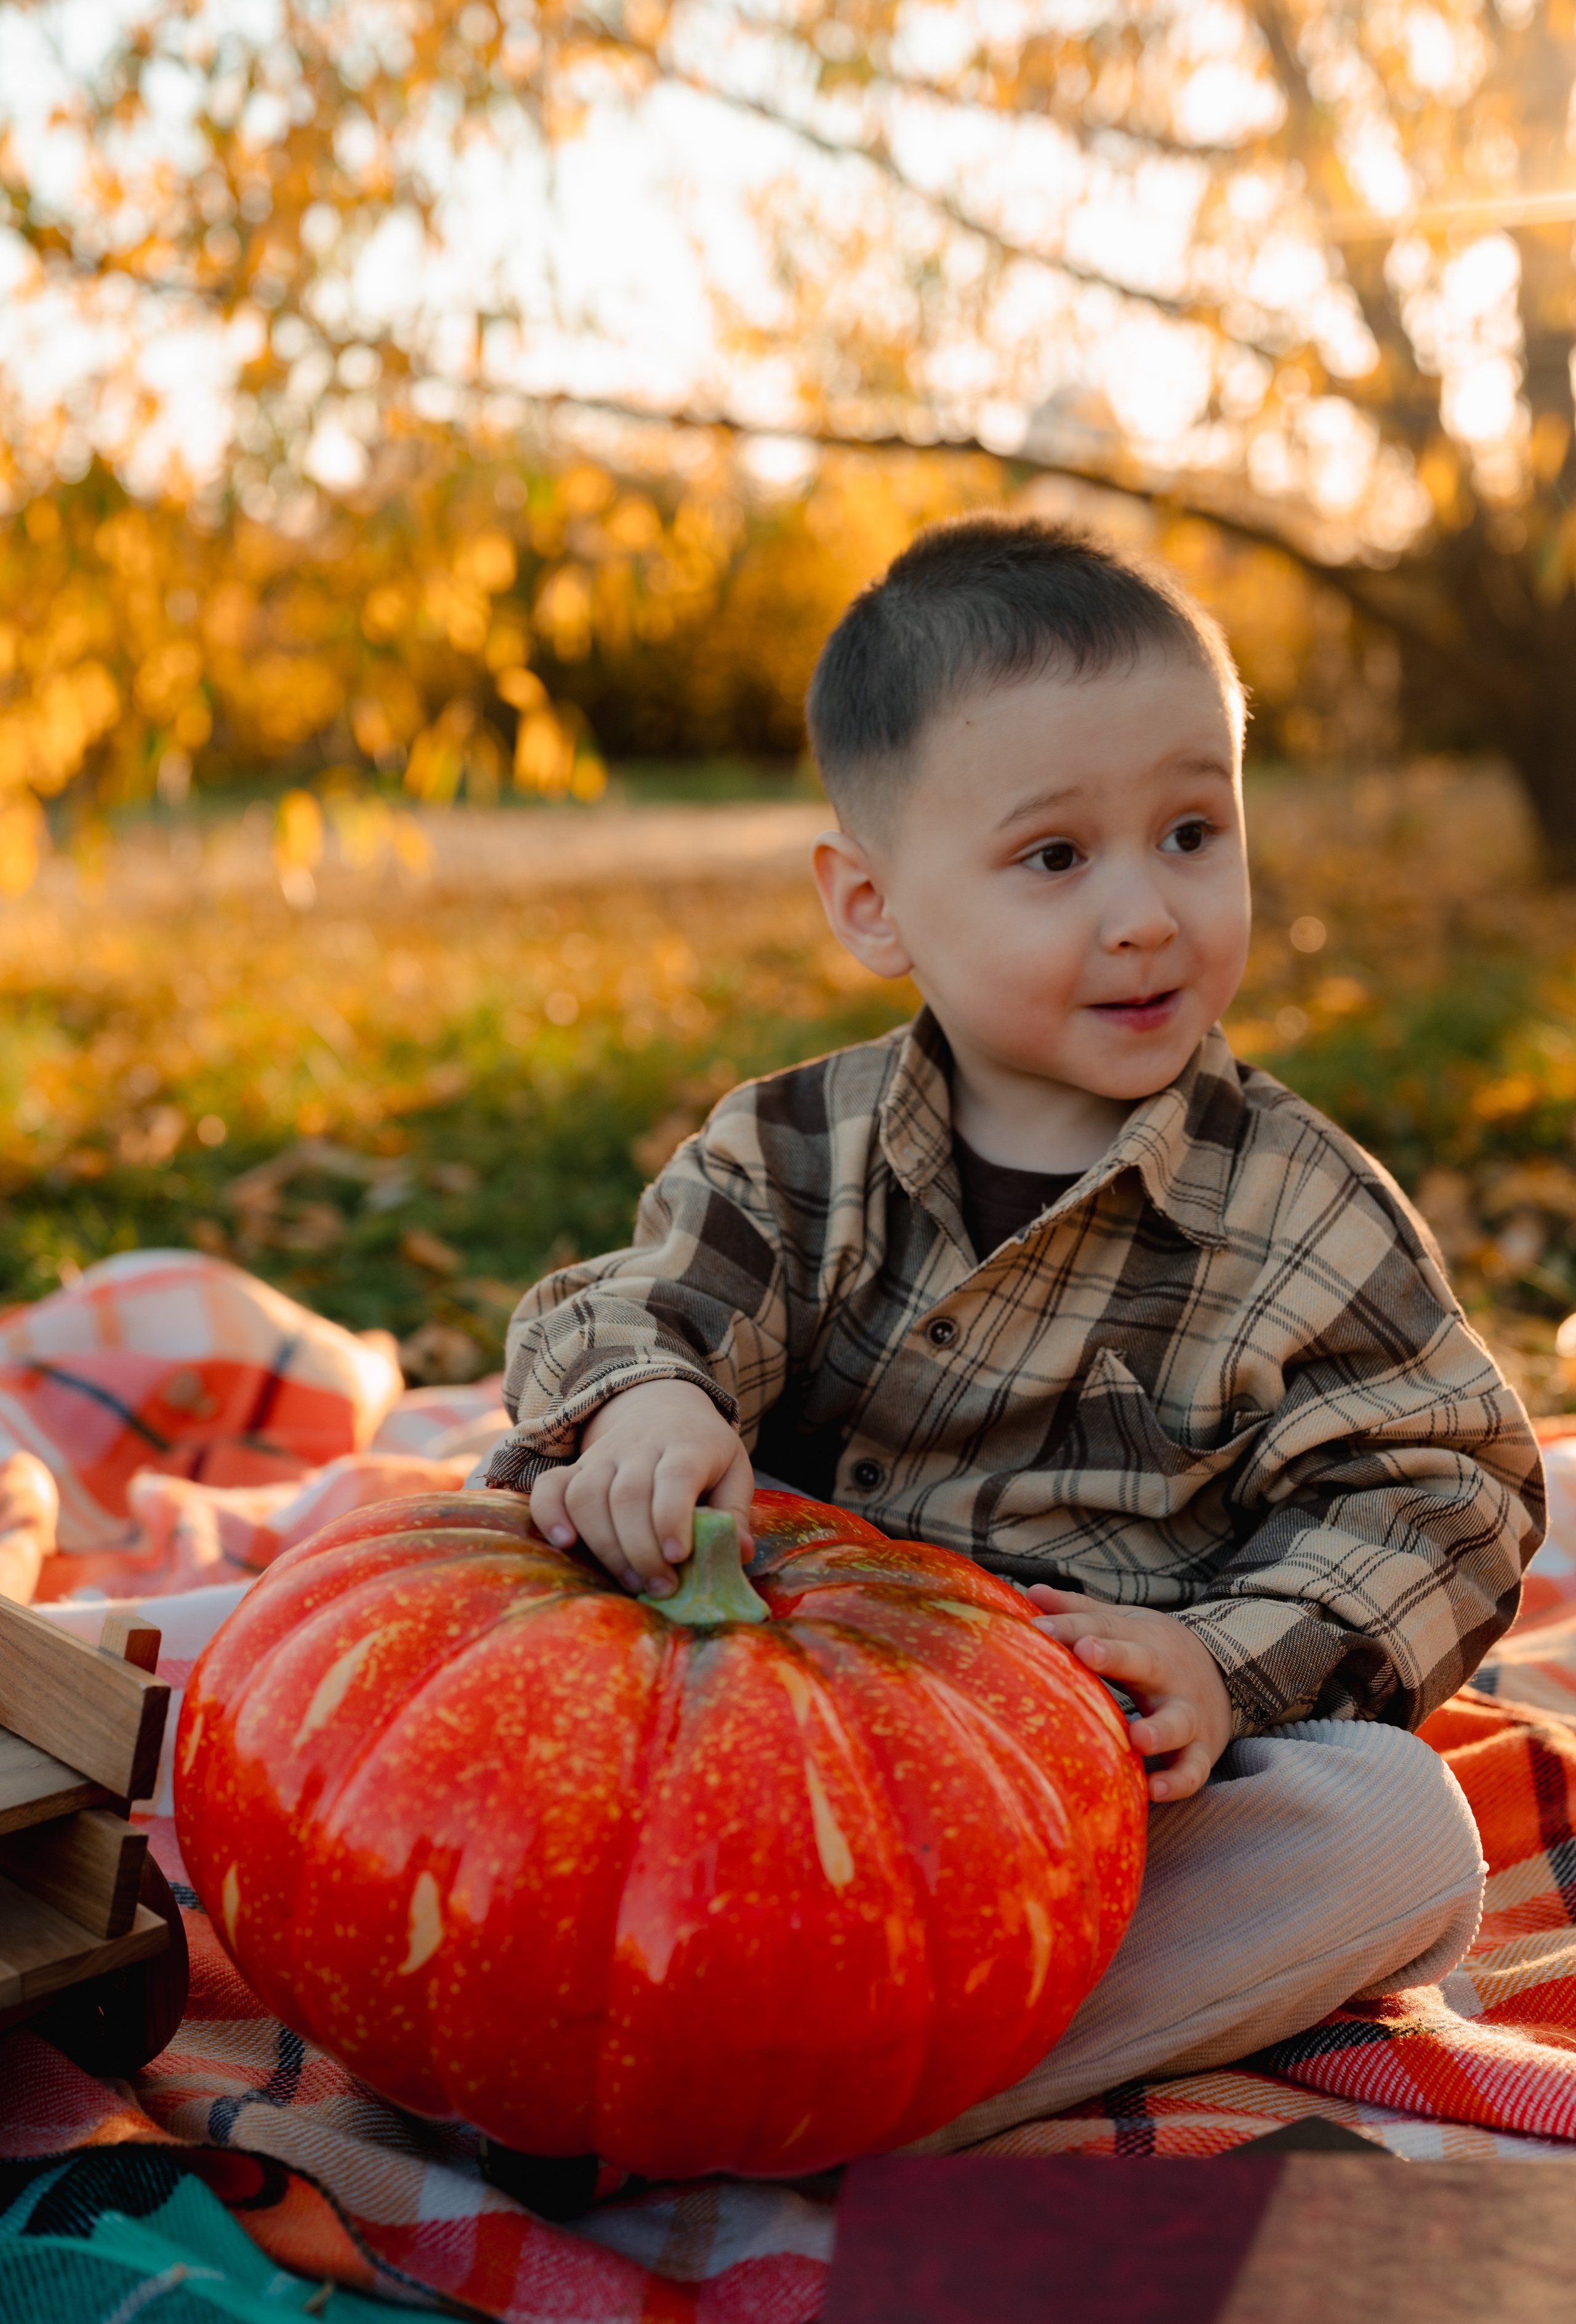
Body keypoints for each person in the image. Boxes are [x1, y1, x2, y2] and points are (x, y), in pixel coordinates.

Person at [486, 516, 1542, 2136]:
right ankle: (648, 2023)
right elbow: (640, 1303)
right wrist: (648, 1406)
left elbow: (1445, 1491)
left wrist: (1226, 1664)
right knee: (358, 1605)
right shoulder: (789, 1155)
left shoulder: (1303, 1215)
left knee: (1397, 1827)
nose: (1146, 914)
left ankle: (836, 2090)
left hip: (1083, 1801)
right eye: (1059, 858)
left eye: (1195, 831)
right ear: (872, 903)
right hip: (761, 1750)